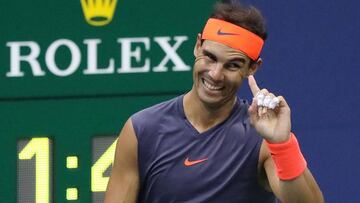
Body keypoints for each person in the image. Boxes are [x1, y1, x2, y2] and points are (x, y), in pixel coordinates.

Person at [104, 1, 324, 202]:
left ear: (252, 68)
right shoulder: (141, 130)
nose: (216, 74)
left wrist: (282, 145)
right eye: (210, 57)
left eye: (233, 65)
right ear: (198, 45)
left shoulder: (263, 139)